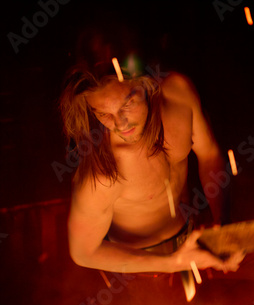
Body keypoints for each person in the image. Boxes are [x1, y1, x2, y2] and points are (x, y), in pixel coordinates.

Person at [60, 55, 240, 275]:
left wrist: (222, 218)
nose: (120, 124)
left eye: (128, 104)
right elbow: (83, 253)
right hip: (136, 265)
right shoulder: (102, 176)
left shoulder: (178, 93)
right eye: (104, 114)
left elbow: (210, 155)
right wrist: (173, 263)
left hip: (192, 233)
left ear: (146, 85)